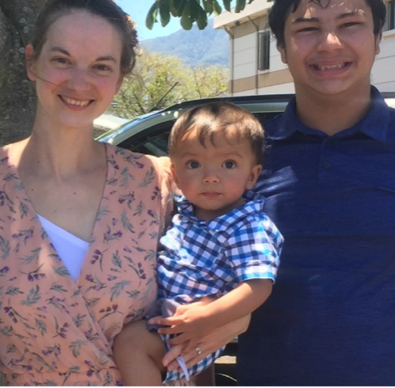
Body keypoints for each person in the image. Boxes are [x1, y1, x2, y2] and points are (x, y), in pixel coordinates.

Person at [0, 0, 248, 387]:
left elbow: (200, 318)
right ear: (30, 62)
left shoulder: (155, 183)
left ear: (120, 77)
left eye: (101, 67)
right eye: (62, 60)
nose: (79, 82)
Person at [237, 0, 395, 386]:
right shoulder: (244, 160)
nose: (329, 43)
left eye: (350, 24)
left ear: (378, 38)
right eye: (307, 29)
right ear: (283, 48)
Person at [113, 102, 283, 386]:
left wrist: (208, 319)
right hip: (173, 318)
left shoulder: (246, 225)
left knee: (131, 345)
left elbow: (259, 285)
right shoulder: (185, 212)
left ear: (252, 176)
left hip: (197, 327)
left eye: (228, 164)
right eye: (194, 164)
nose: (210, 176)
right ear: (176, 175)